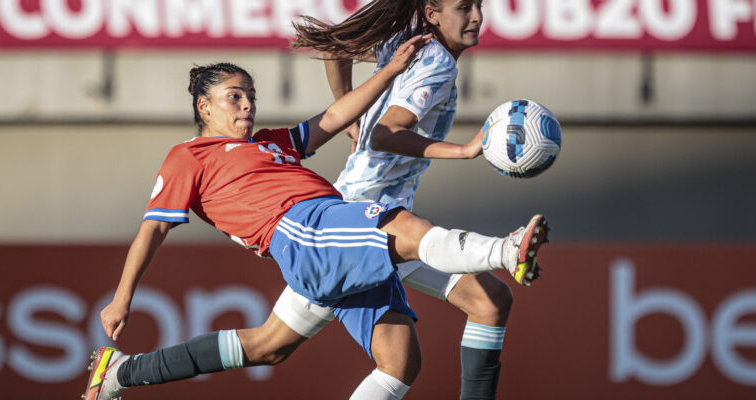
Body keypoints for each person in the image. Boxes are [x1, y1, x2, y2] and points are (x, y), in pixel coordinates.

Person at [82, 35, 549, 400]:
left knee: (388, 361)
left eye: (251, 95)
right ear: (204, 106)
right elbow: (153, 229)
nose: (247, 104)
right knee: (405, 228)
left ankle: (123, 373)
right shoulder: (189, 157)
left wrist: (390, 70)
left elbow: (332, 117)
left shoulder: (269, 142)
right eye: (234, 97)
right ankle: (506, 251)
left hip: (326, 238)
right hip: (302, 230)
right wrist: (123, 298)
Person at [280, 1, 530, 399]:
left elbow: (335, 47)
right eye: (464, 8)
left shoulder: (407, 43)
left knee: (490, 301)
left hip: (366, 209)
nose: (477, 17)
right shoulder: (438, 64)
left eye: (479, 6)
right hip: (368, 218)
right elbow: (386, 134)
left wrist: (350, 114)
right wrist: (463, 151)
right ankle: (143, 367)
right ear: (432, 13)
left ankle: (143, 367)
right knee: (268, 346)